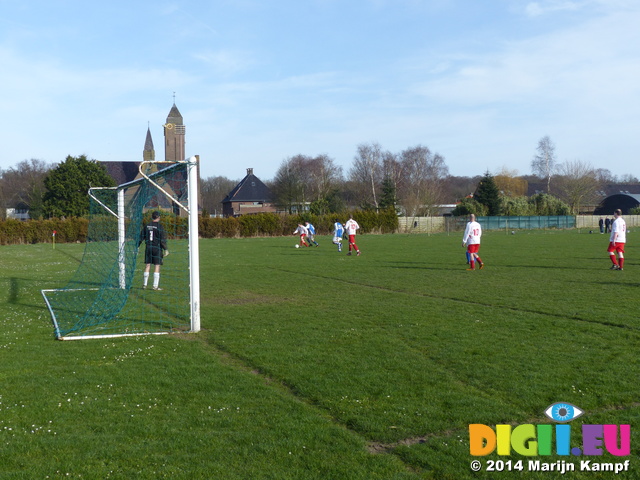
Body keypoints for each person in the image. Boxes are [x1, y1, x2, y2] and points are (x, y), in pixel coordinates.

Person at [139, 211, 168, 290]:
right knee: (157, 265)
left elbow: (141, 237)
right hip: (157, 248)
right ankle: (155, 286)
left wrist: (137, 246)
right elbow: (162, 239)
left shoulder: (147, 226)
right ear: (158, 217)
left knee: (148, 265)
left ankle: (144, 284)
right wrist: (165, 249)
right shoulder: (160, 226)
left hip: (148, 247)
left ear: (152, 217)